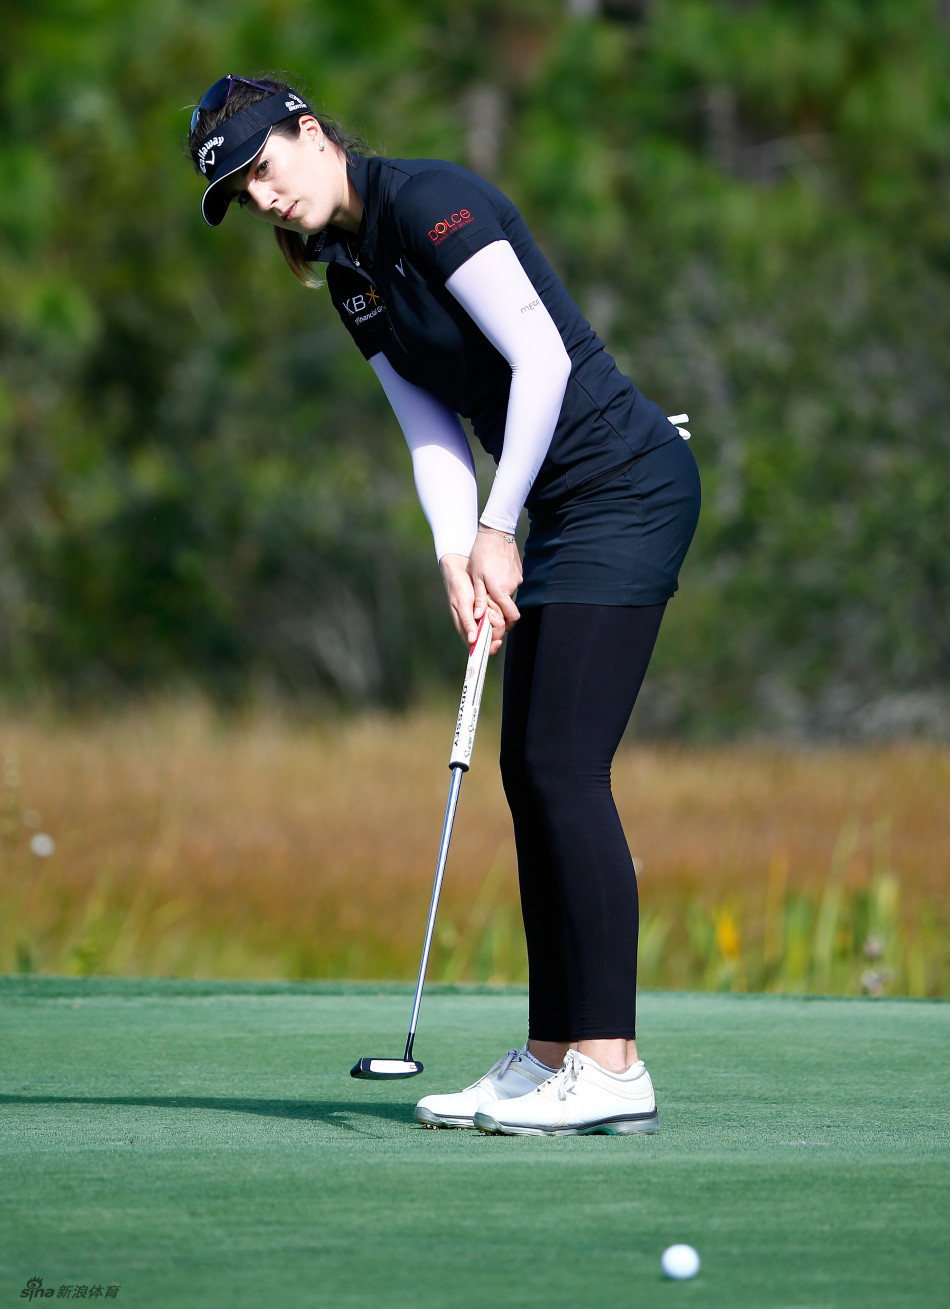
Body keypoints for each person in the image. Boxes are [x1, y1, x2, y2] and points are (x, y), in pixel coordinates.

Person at [187, 74, 700, 1137]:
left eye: (263, 168)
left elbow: (540, 360)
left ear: (310, 132)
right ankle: (551, 1054)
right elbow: (429, 433)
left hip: (621, 488)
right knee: (531, 772)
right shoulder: (350, 280)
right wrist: (453, 554)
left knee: (565, 767)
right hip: (551, 509)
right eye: (242, 193)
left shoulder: (430, 200)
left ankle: (611, 1065)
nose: (262, 199)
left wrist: (497, 526)